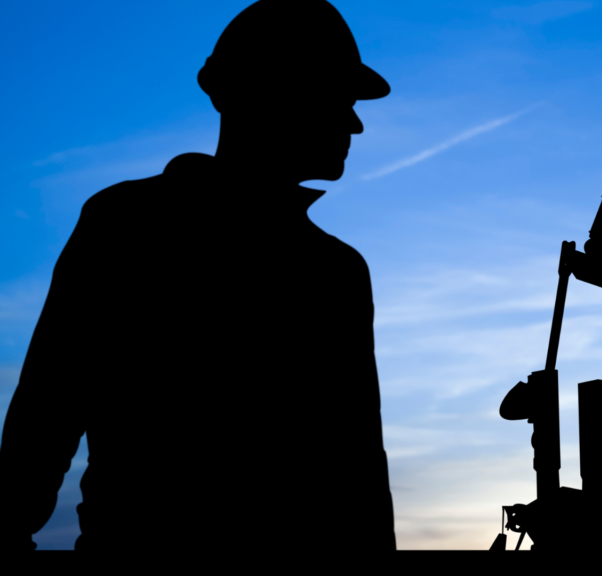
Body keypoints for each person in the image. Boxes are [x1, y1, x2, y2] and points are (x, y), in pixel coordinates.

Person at [0, 0, 396, 551]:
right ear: (278, 94)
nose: (353, 122)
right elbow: (48, 410)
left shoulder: (336, 271)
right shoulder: (128, 226)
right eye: (337, 97)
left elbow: (356, 470)